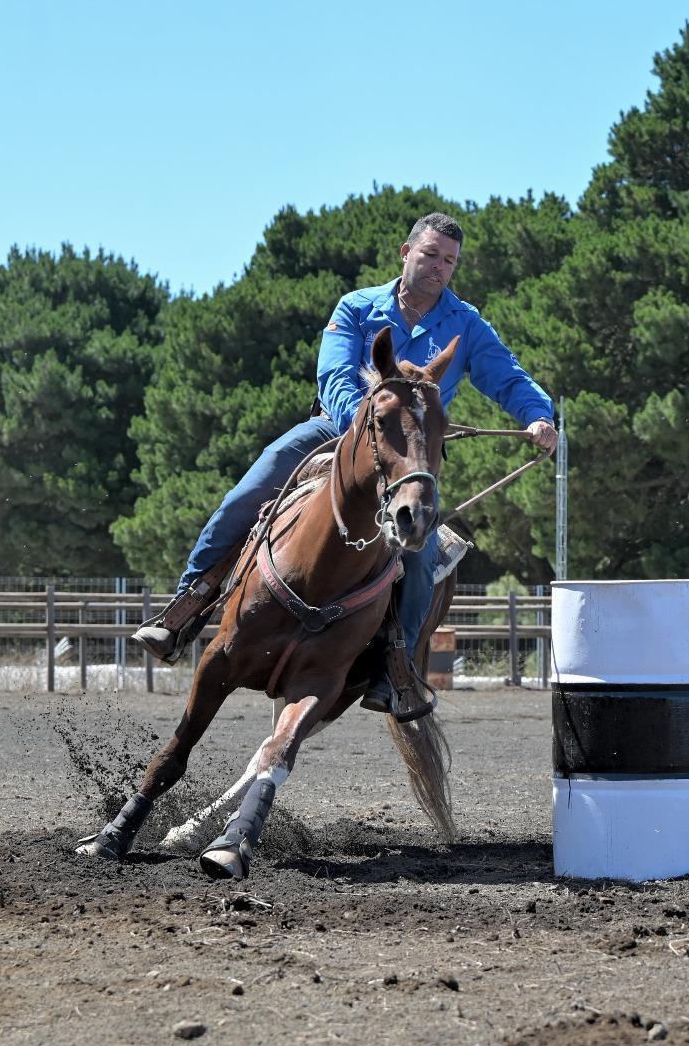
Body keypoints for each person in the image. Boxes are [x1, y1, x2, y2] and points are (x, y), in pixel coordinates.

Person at [132, 213, 557, 699]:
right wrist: (366, 425)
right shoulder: (357, 307)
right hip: (336, 431)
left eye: (450, 261)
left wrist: (537, 415)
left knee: (421, 549)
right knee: (251, 490)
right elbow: (333, 377)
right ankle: (188, 606)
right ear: (406, 251)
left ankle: (398, 665)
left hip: (408, 455)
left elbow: (508, 376)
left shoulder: (466, 325)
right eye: (431, 254)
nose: (439, 267)